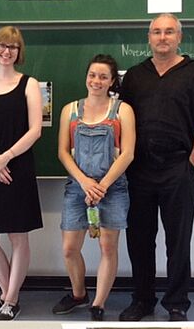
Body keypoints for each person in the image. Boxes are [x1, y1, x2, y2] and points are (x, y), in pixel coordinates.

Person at [119, 13, 194, 322]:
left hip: (178, 167)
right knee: (139, 239)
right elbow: (122, 121)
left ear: (179, 37)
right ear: (148, 38)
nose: (162, 37)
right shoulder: (135, 76)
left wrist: (192, 163)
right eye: (156, 32)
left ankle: (176, 303)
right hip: (139, 171)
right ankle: (143, 300)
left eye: (169, 32)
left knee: (178, 240)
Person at [53, 55, 135, 321]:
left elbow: (128, 154)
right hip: (78, 187)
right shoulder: (70, 110)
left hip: (112, 187)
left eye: (103, 76)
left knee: (107, 247)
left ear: (112, 81)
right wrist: (85, 182)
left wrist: (102, 185)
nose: (96, 81)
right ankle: (79, 294)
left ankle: (98, 303)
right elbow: (63, 153)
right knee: (69, 248)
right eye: (92, 75)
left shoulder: (123, 110)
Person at [0, 26, 43, 321]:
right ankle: (6, 294)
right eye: (2, 45)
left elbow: (35, 130)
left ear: (19, 52)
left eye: (12, 47)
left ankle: (11, 299)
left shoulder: (29, 84)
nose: (6, 50)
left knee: (18, 236)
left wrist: (6, 158)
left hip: (18, 167)